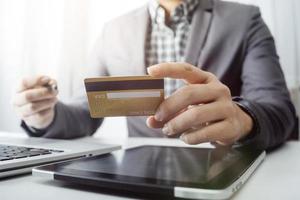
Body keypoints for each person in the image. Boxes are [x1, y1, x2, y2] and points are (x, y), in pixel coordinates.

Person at [12, 0, 297, 150]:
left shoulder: (245, 20)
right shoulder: (114, 30)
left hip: (223, 163)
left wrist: (241, 119)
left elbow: (278, 110)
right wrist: (46, 116)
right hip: (137, 170)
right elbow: (87, 110)